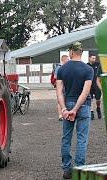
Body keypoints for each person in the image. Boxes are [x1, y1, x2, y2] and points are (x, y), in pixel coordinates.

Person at [56, 42, 93, 179]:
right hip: (84, 106)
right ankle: (79, 170)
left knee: (66, 138)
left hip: (68, 105)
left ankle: (67, 170)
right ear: (81, 52)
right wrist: (76, 109)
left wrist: (65, 109)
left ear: (71, 52)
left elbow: (59, 93)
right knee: (82, 140)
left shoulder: (62, 69)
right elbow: (85, 92)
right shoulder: (88, 69)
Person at [87, 54, 102, 120]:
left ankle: (98, 108)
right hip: (89, 84)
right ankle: (91, 112)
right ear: (89, 58)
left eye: (95, 58)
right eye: (93, 58)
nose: (94, 59)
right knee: (90, 99)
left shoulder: (98, 64)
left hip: (97, 84)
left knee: (98, 99)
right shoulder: (86, 66)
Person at [55, 55, 69, 121]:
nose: (68, 61)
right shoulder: (59, 68)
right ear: (63, 60)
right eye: (67, 59)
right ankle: (60, 115)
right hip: (60, 86)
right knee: (59, 100)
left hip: (67, 86)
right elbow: (55, 76)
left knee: (66, 99)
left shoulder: (68, 67)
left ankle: (65, 113)